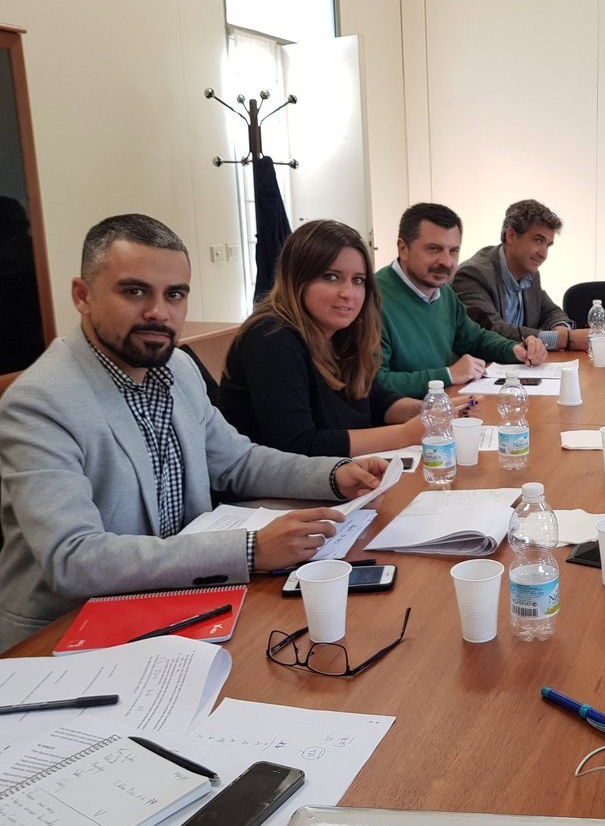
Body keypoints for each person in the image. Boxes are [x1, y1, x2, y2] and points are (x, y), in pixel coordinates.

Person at [0, 214, 388, 652]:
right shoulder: (40, 402)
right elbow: (73, 559)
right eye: (134, 291)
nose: (158, 312)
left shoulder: (177, 367)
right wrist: (249, 550)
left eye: (175, 294)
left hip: (180, 600)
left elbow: (238, 462)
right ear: (82, 296)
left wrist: (333, 475)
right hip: (66, 633)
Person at [218, 220, 475, 457]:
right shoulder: (270, 338)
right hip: (279, 487)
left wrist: (433, 411)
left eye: (358, 280)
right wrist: (406, 434)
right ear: (297, 279)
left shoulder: (342, 331)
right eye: (331, 277)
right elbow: (297, 445)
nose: (348, 293)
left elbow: (374, 399)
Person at [376, 203, 549, 397]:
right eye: (434, 249)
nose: (446, 262)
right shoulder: (371, 301)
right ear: (403, 249)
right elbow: (374, 384)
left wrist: (515, 349)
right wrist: (447, 375)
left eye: (453, 251)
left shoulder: (443, 292)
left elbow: (476, 339)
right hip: (406, 414)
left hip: (445, 406)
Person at [452, 199, 587, 351]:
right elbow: (493, 331)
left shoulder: (529, 273)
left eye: (548, 245)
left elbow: (551, 311)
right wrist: (562, 340)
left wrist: (560, 328)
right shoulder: (472, 275)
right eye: (538, 240)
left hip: (522, 363)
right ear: (511, 236)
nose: (543, 254)